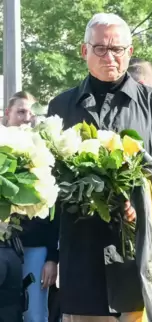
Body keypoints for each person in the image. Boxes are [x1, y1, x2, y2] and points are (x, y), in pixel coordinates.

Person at [47, 13, 152, 321]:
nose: (110, 56)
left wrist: (143, 203)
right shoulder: (61, 106)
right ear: (84, 51)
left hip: (136, 251)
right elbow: (48, 178)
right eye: (100, 49)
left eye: (118, 49)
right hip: (82, 253)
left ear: (130, 52)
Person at [3, 91, 59, 322]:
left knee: (35, 314)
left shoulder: (44, 151)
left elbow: (55, 209)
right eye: (21, 111)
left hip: (35, 248)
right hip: (3, 248)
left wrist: (52, 258)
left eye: (30, 113)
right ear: (7, 113)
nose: (27, 117)